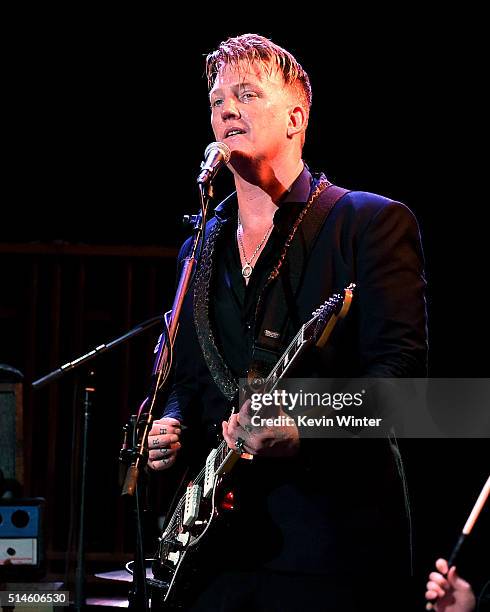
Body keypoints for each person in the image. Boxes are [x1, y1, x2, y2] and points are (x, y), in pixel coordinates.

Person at [147, 33, 428, 611]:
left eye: (247, 94)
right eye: (218, 99)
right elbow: (188, 379)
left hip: (329, 553)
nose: (226, 108)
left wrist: (303, 426)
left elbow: (407, 391)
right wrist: (169, 421)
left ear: (296, 116)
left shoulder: (368, 224)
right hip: (212, 556)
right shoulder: (198, 248)